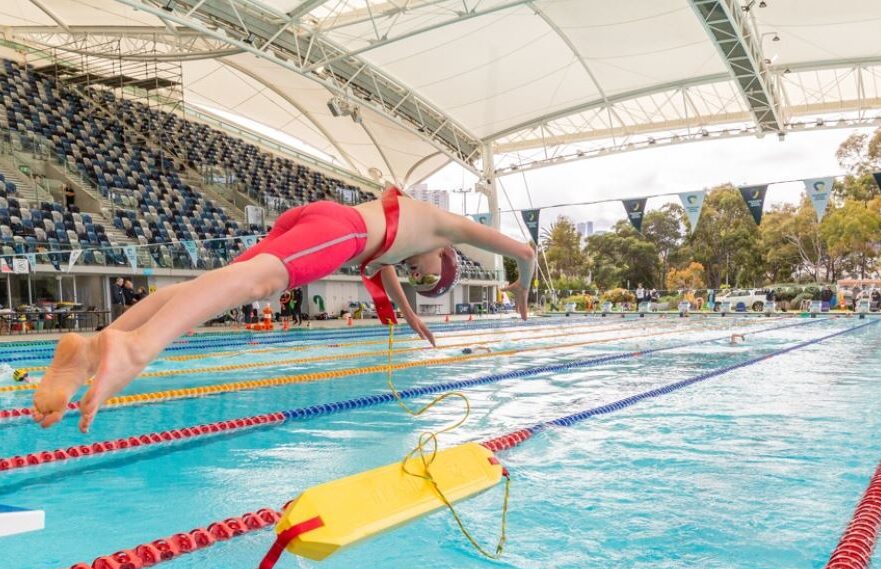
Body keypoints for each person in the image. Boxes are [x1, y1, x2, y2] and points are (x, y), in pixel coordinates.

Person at [32, 189, 535, 432]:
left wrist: (412, 315)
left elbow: (385, 272)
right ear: (447, 255)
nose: (421, 277)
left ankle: (92, 351)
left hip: (324, 219)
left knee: (218, 286)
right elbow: (526, 253)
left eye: (422, 282)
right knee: (259, 281)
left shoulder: (400, 246)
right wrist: (521, 290)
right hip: (343, 230)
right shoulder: (448, 227)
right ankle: (136, 347)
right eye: (429, 275)